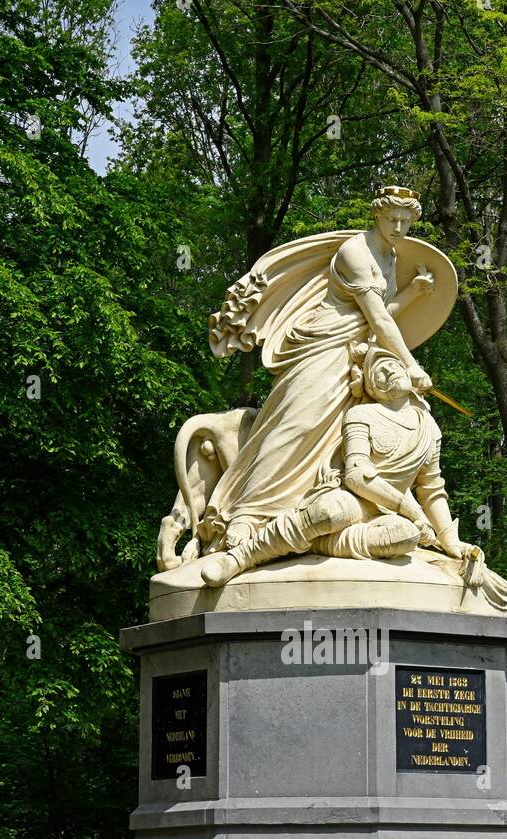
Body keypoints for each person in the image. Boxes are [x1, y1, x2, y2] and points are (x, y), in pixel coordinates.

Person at [196, 186, 436, 553]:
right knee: (296, 427)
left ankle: (308, 513)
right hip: (321, 349)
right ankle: (246, 517)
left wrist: (414, 293)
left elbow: (378, 318)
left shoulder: (388, 255)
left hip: (351, 354)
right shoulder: (356, 253)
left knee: (328, 440)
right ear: (378, 216)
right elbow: (378, 321)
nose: (400, 227)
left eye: (407, 221)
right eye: (393, 219)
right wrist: (411, 365)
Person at [200, 346, 477, 585]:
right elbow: (357, 475)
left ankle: (320, 542)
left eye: (394, 365)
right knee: (329, 511)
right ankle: (241, 557)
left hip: (386, 515)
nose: (390, 371)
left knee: (406, 537)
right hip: (353, 499)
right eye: (380, 371)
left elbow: (432, 489)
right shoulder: (361, 414)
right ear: (371, 387)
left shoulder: (430, 429)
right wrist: (411, 509)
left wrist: (450, 541)